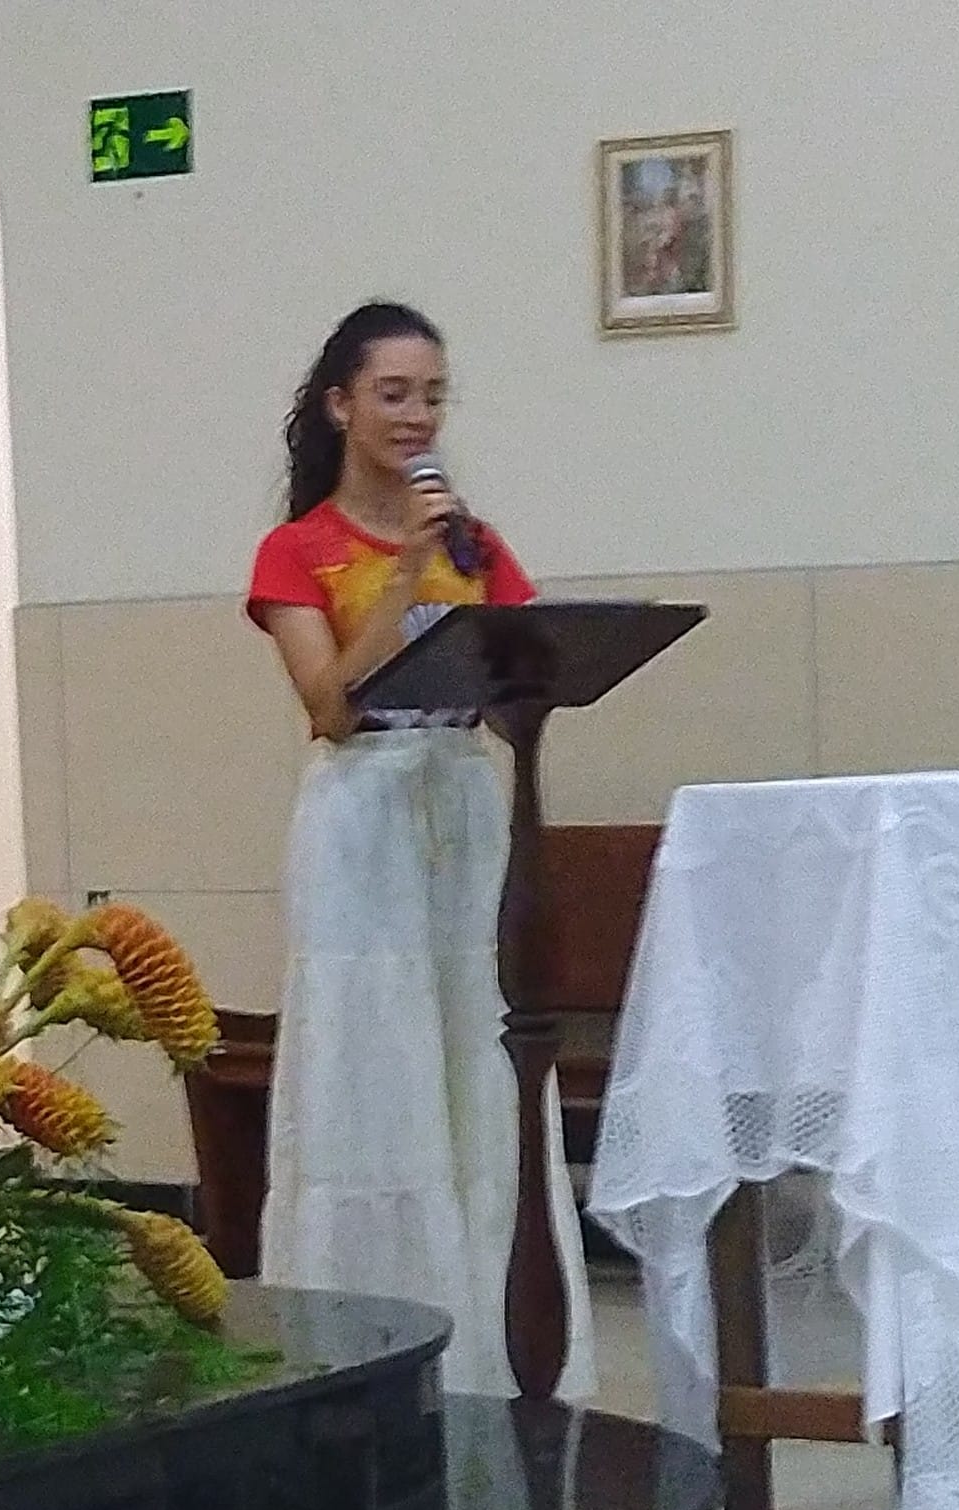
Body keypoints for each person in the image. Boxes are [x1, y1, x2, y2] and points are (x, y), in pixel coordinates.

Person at [246, 301, 595, 1398]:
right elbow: (328, 705)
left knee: (478, 1057)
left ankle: (496, 1356)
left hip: (464, 805)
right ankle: (362, 1361)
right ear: (340, 406)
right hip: (363, 814)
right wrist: (401, 574)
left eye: (433, 395)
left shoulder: (477, 547)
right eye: (392, 393)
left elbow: (527, 678)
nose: (416, 415)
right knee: (374, 1062)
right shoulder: (297, 550)